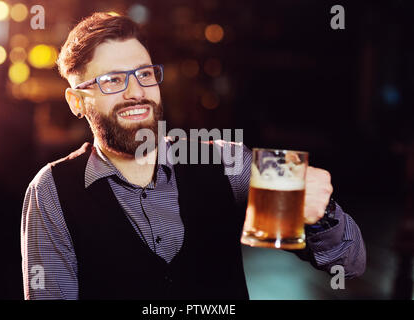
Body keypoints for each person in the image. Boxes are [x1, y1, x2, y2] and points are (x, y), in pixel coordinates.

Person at [21, 12, 366, 300]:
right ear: (77, 102)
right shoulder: (50, 192)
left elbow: (350, 263)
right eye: (111, 80)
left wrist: (321, 214)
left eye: (144, 74)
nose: (136, 92)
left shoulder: (229, 162)